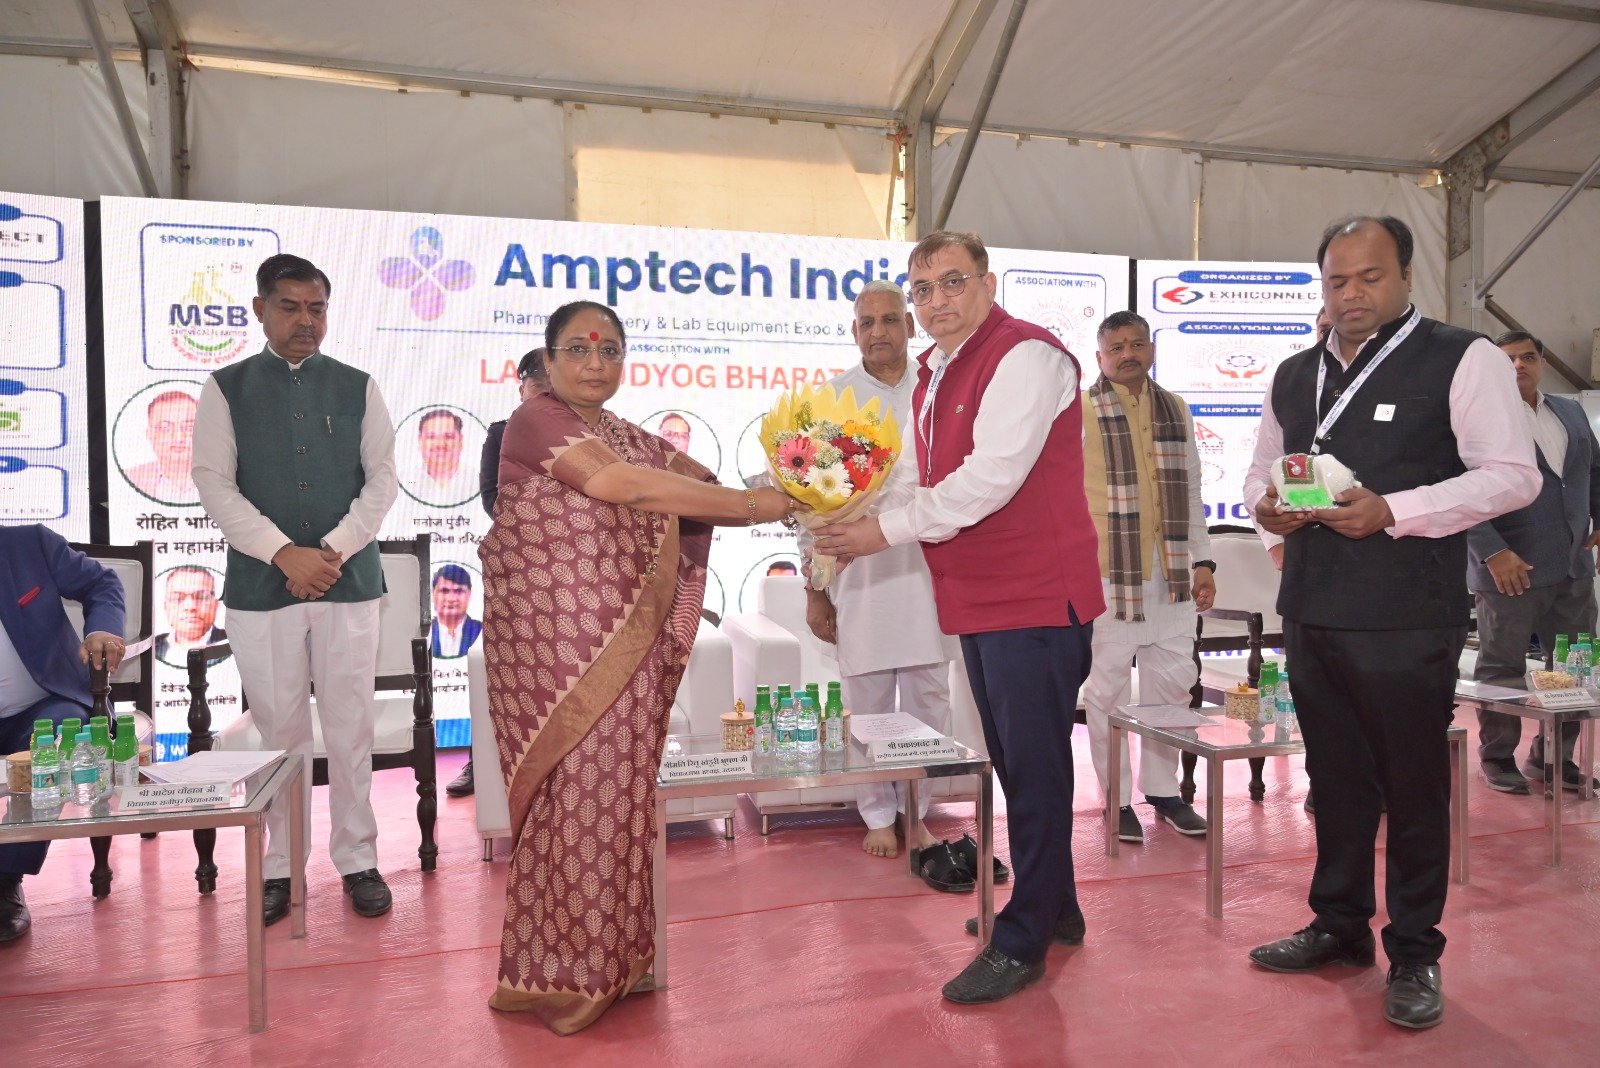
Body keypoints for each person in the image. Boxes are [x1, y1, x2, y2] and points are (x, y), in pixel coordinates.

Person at [1244, 216, 1539, 1030]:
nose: (1351, 295)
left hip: (1408, 615)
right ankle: (1339, 924)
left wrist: (1395, 510)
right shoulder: (1295, 372)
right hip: (1312, 608)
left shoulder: (1461, 357)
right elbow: (1261, 472)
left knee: (1412, 788)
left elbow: (1512, 477)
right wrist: (1268, 510)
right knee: (1335, 781)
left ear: (1407, 275)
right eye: (1336, 280)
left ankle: (1414, 950)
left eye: (1369, 277)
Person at [480, 300, 792, 1034]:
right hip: (558, 660)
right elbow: (628, 488)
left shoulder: (620, 432)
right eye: (578, 349)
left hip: (625, 649)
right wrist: (758, 506)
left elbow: (695, 477)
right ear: (548, 361)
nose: (595, 363)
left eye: (610, 350)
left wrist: (809, 479)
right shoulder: (536, 421)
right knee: (573, 802)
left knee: (618, 804)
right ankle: (565, 977)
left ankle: (612, 961)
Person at [815, 231, 1104, 1006]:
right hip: (981, 597)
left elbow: (990, 478)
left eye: (952, 282)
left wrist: (878, 532)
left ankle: (1023, 938)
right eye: (924, 289)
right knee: (1016, 761)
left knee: (1034, 767)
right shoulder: (935, 374)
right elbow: (917, 479)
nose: (937, 301)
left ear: (987, 283)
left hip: (1036, 596)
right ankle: (1056, 906)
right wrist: (825, 508)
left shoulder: (1027, 356)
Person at [193, 253, 399, 926]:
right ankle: (280, 867)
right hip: (263, 585)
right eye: (290, 307)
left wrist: (331, 552)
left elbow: (382, 480)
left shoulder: (358, 386)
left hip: (348, 581)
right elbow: (213, 483)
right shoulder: (225, 388)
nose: (305, 321)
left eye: (316, 308)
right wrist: (284, 554)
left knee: (350, 725)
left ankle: (358, 858)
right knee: (277, 732)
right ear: (260, 310)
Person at [799, 280, 959, 864]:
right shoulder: (831, 401)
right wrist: (816, 592)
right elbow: (810, 505)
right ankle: (877, 814)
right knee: (865, 700)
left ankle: (918, 811)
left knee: (928, 699)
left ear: (910, 326)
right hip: (859, 574)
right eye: (866, 323)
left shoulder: (940, 388)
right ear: (854, 332)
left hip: (929, 569)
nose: (879, 332)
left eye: (890, 319)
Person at [1080, 310, 1214, 843]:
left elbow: (1193, 489)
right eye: (1116, 348)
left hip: (1172, 571)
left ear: (1151, 350)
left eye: (1136, 344)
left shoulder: (1175, 407)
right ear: (1100, 357)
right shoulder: (1080, 410)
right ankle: (1116, 799)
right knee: (1107, 692)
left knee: (1172, 686)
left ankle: (1163, 791)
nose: (1127, 355)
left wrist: (1203, 561)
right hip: (1110, 573)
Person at [1467, 330, 1600, 794]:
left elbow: (1593, 471)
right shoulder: (1476, 418)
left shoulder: (1569, 411)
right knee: (1502, 669)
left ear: (1541, 363)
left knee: (1572, 668)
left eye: (1528, 357)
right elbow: (1459, 491)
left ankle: (1553, 758)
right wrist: (1491, 551)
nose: (1519, 365)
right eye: (1508, 359)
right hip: (1510, 568)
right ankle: (1497, 757)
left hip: (1573, 565)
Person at [0, 524, 126, 943]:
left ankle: (5, 879)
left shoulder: (28, 544)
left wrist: (101, 630)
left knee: (58, 740)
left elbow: (101, 582)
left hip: (41, 706)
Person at [448, 347, 549, 799]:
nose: (543, 387)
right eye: (535, 379)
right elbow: (493, 499)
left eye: (551, 378)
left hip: (582, 568)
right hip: (522, 565)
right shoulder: (503, 433)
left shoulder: (589, 433)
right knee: (507, 669)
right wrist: (551, 516)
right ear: (520, 386)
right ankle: (483, 762)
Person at [125, 390, 198, 502]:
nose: (178, 438)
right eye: (165, 428)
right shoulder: (129, 479)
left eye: (189, 427)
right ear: (150, 435)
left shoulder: (225, 477)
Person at [154, 566, 227, 668]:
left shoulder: (233, 644)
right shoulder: (152, 646)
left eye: (201, 597)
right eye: (177, 598)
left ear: (216, 605)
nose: (190, 607)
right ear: (166, 606)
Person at [406, 408, 476, 505]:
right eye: (431, 437)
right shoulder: (404, 482)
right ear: (420, 441)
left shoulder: (480, 483)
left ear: (460, 441)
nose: (440, 444)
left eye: (448, 436)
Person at [428, 564, 481, 659]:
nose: (451, 599)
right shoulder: (425, 633)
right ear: (433, 594)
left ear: (469, 594)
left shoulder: (482, 631)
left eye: (458, 591)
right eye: (444, 591)